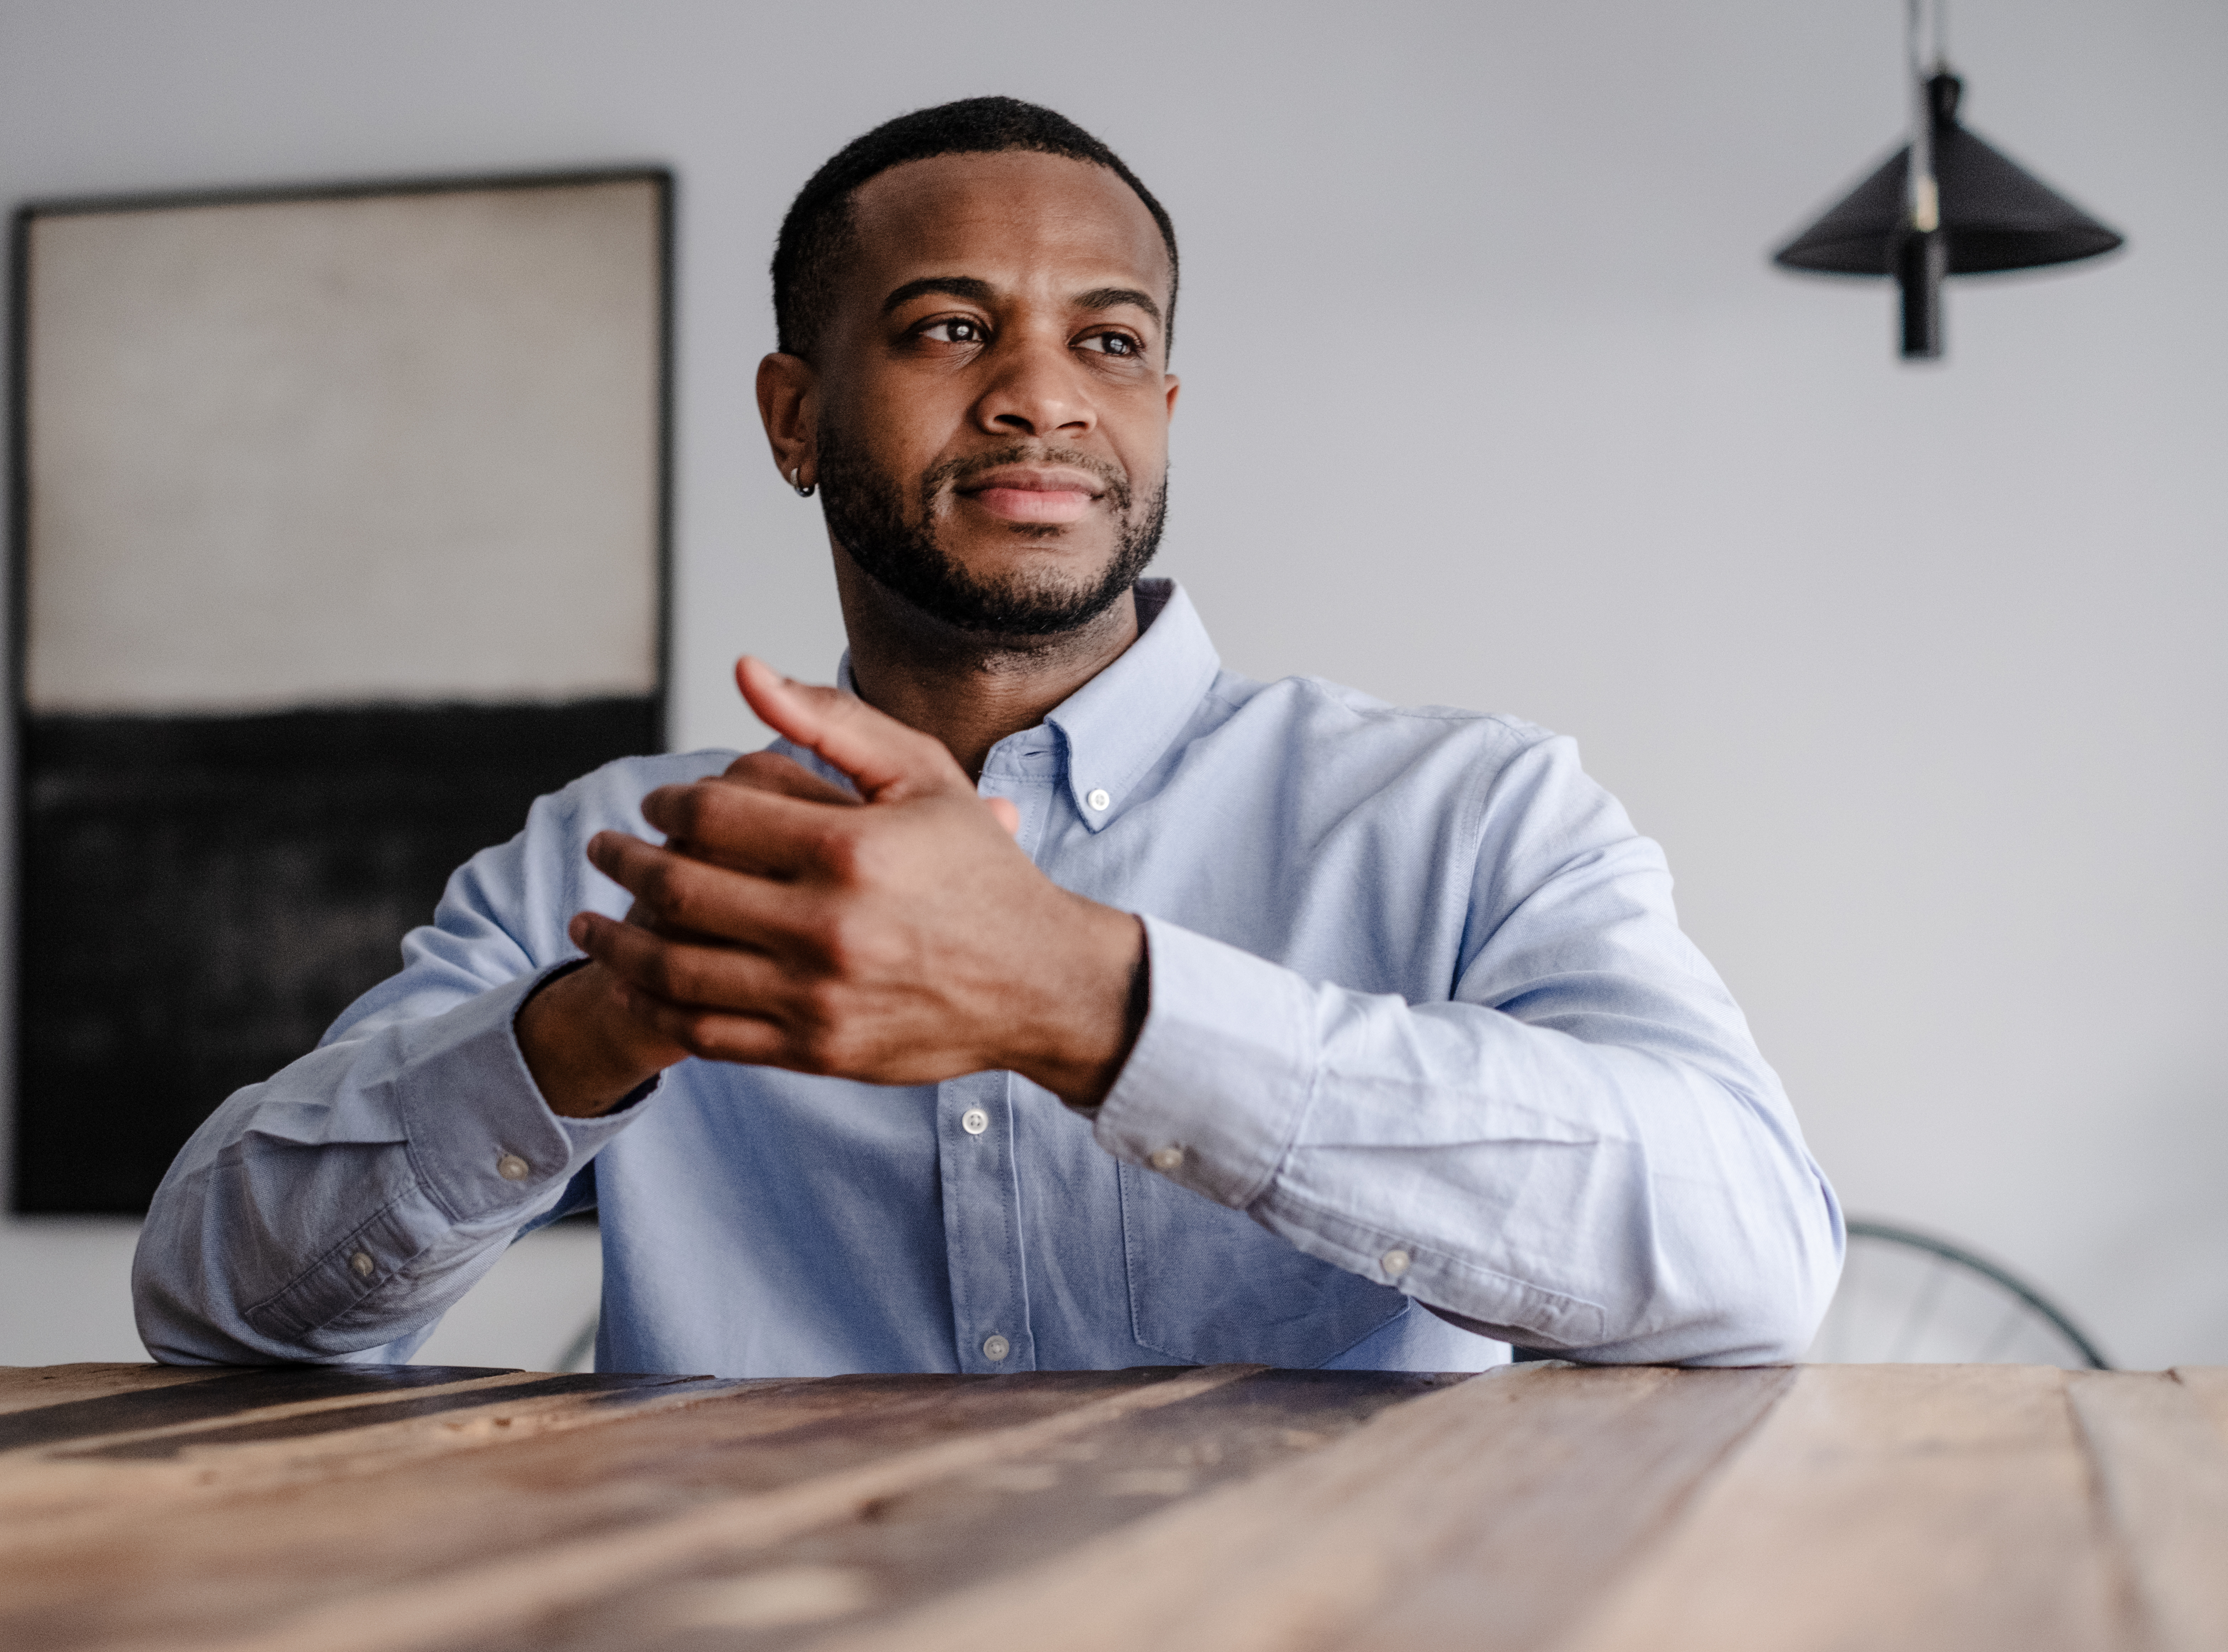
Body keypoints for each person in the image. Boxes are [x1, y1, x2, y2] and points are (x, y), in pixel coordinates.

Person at [133, 97, 1843, 1376]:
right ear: (795, 418)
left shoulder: (1467, 814)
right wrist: (597, 1024)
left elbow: (1750, 1256)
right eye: (949, 329)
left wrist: (1091, 999)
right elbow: (214, 1304)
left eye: (1109, 341)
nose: (1041, 393)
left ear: (1160, 412)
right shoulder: (625, 858)